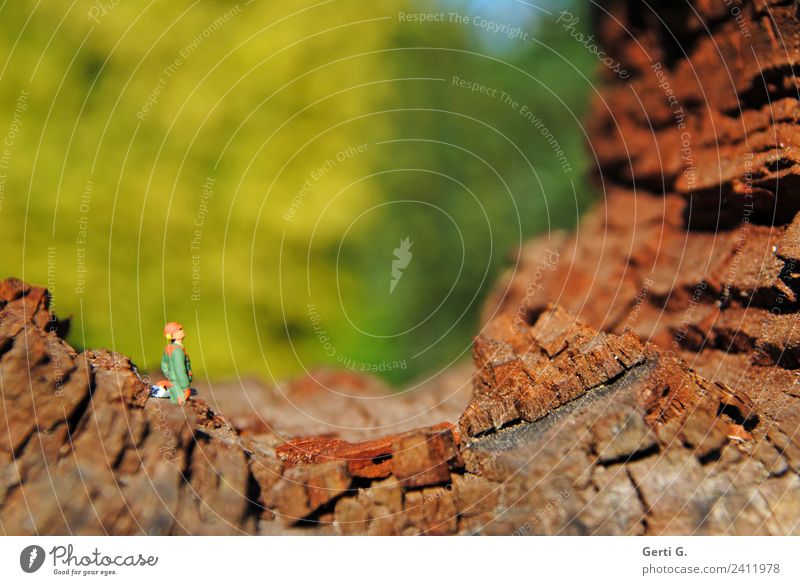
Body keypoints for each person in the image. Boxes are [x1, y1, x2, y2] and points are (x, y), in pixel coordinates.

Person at [160, 321, 193, 405]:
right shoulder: (178, 351)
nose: (182, 330)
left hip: (174, 382)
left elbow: (164, 365)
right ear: (173, 335)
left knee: (175, 400)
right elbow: (180, 370)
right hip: (179, 384)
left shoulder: (169, 348)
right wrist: (185, 387)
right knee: (181, 403)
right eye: (179, 329)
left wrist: (170, 376)